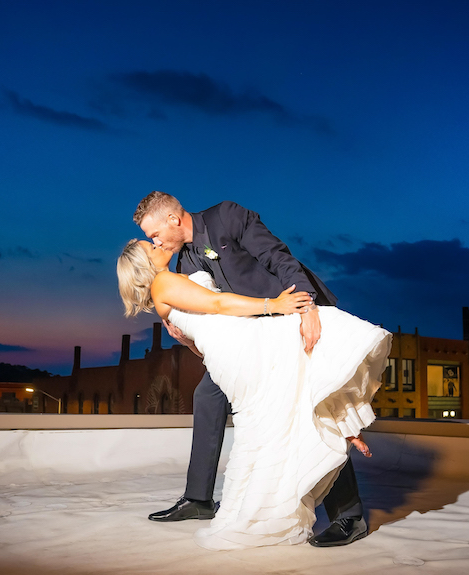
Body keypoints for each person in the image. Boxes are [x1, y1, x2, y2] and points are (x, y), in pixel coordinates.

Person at [131, 191, 390, 547]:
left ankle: (349, 516)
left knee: (307, 406)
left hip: (287, 319)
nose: (153, 241)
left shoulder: (226, 216)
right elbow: (200, 304)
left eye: (155, 234)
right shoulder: (184, 261)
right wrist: (178, 326)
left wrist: (306, 308)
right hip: (251, 339)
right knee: (207, 394)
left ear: (174, 219)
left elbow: (276, 256)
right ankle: (198, 499)